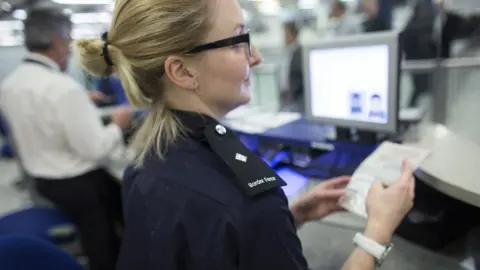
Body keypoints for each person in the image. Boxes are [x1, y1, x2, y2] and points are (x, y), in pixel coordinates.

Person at [75, 0, 415, 269]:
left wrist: (289, 216)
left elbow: (200, 248)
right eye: (239, 41)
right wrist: (378, 230)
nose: (256, 56)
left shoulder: (145, 161)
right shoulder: (248, 201)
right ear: (181, 71)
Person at [0, 9, 131, 270]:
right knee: (106, 238)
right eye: (69, 40)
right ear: (59, 42)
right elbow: (96, 149)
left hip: (43, 181)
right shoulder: (63, 88)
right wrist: (118, 125)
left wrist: (79, 100)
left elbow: (40, 112)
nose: (70, 49)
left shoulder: (10, 83)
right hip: (79, 187)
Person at [279, 21, 304, 113]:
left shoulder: (299, 52)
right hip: (284, 94)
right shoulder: (286, 51)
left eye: (286, 33)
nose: (284, 37)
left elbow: (300, 76)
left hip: (294, 97)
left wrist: (292, 94)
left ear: (293, 34)